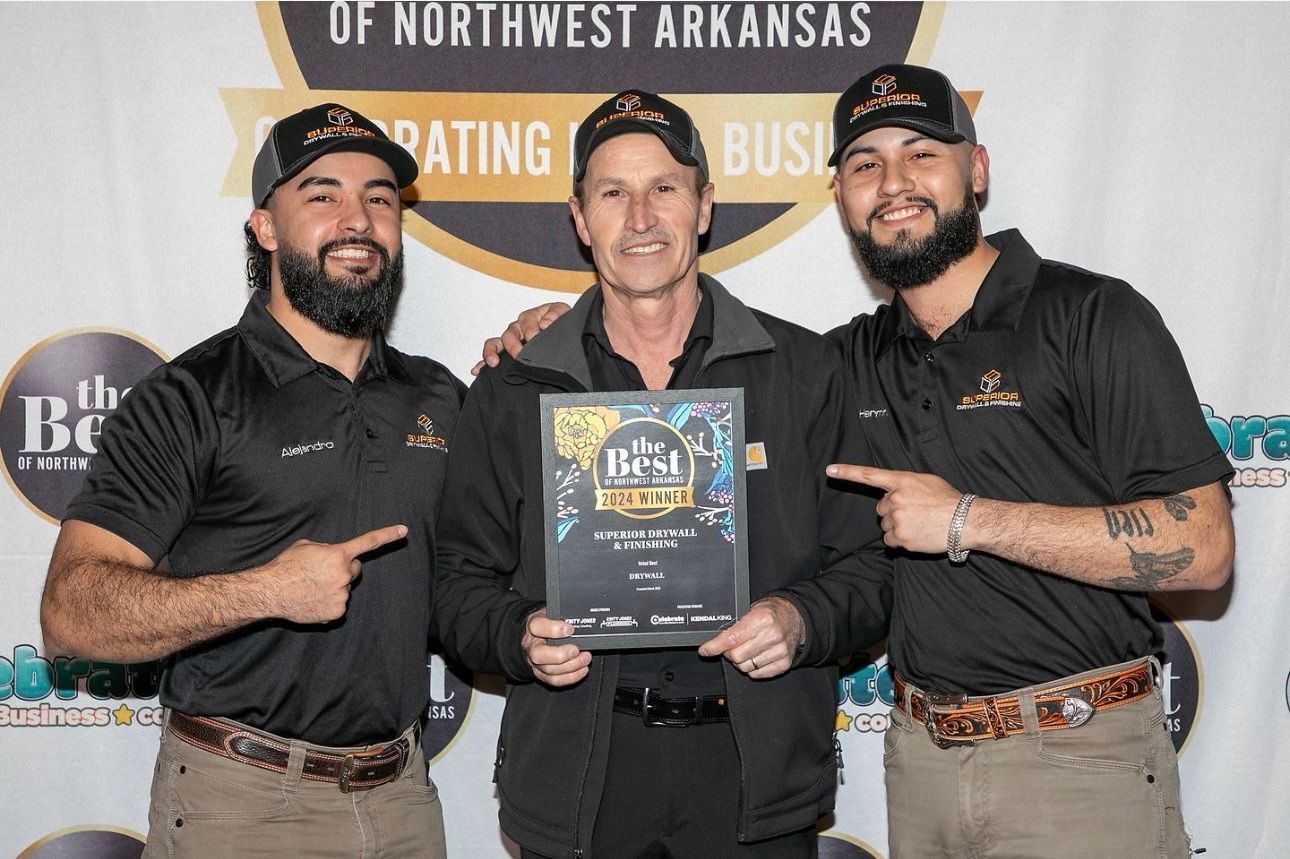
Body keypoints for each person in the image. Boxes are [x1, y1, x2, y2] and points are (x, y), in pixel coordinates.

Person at [480, 65, 1235, 858]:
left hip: (1081, 751)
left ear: (976, 170)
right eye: (867, 164)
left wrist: (967, 520)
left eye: (922, 154)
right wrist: (540, 337)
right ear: (841, 194)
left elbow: (1207, 548)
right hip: (923, 760)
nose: (895, 183)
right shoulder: (841, 363)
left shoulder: (1091, 316)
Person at [432, 89, 891, 859]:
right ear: (581, 219)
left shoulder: (806, 373)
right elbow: (453, 583)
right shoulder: (517, 387)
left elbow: (873, 570)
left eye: (664, 188)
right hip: (581, 773)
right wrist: (516, 636)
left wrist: (802, 619)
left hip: (755, 776)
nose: (640, 217)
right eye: (613, 192)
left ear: (704, 206)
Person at [41, 103, 462, 858]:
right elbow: (71, 614)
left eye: (380, 198)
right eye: (322, 195)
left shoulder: (438, 397)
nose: (357, 219)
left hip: (404, 799)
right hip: (240, 806)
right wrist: (267, 591)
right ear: (265, 228)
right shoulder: (192, 395)